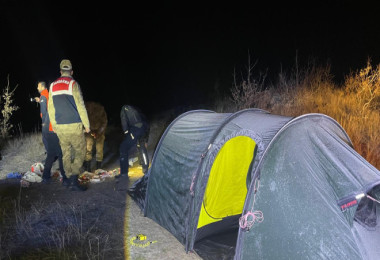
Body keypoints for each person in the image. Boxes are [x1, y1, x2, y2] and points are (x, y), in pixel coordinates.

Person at [48, 59, 90, 191]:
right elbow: (81, 106)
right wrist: (86, 124)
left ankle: (67, 178)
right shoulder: (73, 84)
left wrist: (54, 125)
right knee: (81, 151)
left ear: (60, 71)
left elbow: (51, 108)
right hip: (74, 125)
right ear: (71, 71)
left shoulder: (52, 85)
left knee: (65, 153)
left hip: (60, 126)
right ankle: (73, 180)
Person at [34, 81, 69, 185]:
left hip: (49, 128)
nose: (37, 88)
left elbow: (44, 113)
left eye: (38, 86)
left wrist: (44, 123)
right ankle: (62, 177)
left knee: (54, 153)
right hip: (51, 129)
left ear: (42, 87)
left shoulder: (44, 96)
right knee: (56, 153)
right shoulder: (47, 95)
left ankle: (48, 177)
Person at [118, 105, 150, 178]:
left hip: (135, 129)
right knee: (141, 146)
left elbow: (124, 122)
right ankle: (145, 167)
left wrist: (126, 134)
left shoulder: (123, 109)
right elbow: (147, 124)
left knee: (123, 147)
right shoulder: (137, 109)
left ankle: (124, 172)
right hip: (143, 129)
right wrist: (146, 140)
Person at [83, 101, 108, 172]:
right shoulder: (84, 110)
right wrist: (88, 131)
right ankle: (88, 168)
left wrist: (98, 132)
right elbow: (83, 122)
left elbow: (104, 122)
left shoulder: (100, 109)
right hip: (88, 131)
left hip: (99, 131)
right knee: (88, 148)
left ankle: (98, 167)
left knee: (99, 149)